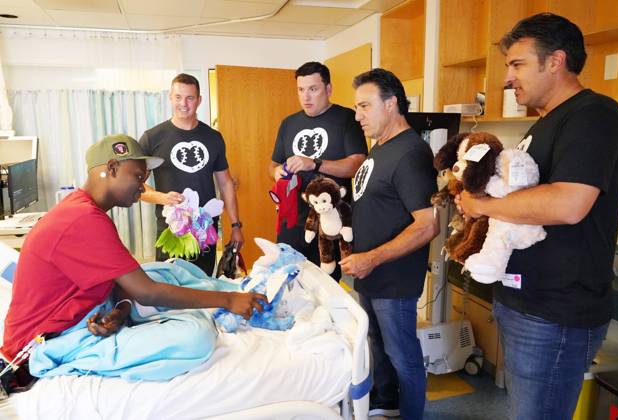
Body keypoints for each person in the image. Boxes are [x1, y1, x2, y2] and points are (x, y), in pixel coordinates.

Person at [456, 13, 618, 420]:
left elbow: (568, 203)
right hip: (525, 302)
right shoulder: (545, 123)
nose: (508, 79)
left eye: (517, 64)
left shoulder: (593, 114)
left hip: (557, 313)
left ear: (556, 61)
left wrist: (483, 207)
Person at [0, 134, 266, 382]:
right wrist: (229, 301)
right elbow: (147, 293)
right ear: (112, 168)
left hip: (87, 313)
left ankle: (233, 291)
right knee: (196, 337)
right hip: (43, 342)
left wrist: (123, 307)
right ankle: (230, 296)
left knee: (164, 270)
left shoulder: (83, 209)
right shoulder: (82, 219)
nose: (142, 188)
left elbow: (121, 282)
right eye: (138, 177)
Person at [339, 68, 439, 420]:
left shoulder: (411, 153)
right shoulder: (380, 148)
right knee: (377, 348)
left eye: (365, 106)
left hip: (393, 278)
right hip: (370, 271)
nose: (358, 115)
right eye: (356, 107)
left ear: (392, 103)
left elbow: (427, 225)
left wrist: (373, 258)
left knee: (403, 356)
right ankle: (387, 405)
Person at [269, 61, 367, 279]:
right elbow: (273, 164)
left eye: (313, 89)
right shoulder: (288, 123)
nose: (306, 97)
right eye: (301, 90)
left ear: (328, 89)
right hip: (292, 222)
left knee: (326, 287)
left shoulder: (347, 119)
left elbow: (358, 164)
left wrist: (314, 163)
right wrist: (276, 172)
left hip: (329, 224)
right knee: (288, 283)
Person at [140, 73, 243, 276]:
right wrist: (163, 198)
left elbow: (226, 184)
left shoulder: (213, 137)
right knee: (169, 289)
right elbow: (136, 186)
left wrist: (236, 225)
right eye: (178, 97)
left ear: (199, 100)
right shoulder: (152, 138)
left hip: (205, 230)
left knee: (204, 286)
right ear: (170, 97)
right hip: (170, 230)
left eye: (190, 98)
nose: (183, 104)